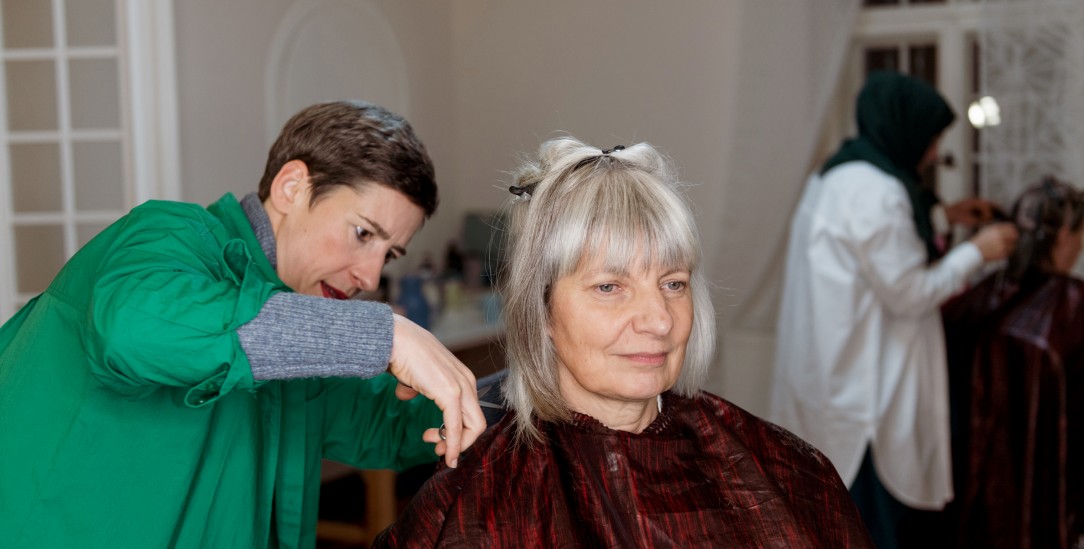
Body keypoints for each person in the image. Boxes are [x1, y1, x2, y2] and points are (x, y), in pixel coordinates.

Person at [0, 100, 486, 548]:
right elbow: (132, 326)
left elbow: (380, 419)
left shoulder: (295, 323)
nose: (371, 275)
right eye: (362, 233)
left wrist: (520, 399)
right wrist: (381, 334)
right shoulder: (168, 234)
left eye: (390, 254)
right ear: (291, 186)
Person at [374, 137, 874, 547]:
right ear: (540, 310)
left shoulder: (787, 470)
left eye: (673, 283)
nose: (659, 320)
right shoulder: (473, 500)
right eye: (609, 287)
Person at [768, 70, 1019, 548]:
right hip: (866, 404)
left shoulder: (839, 173)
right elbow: (909, 292)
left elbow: (872, 249)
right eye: (931, 140)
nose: (930, 153)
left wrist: (944, 216)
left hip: (830, 381)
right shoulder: (879, 193)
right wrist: (978, 252)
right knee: (870, 529)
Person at [941, 177, 1084, 548]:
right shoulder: (1073, 311)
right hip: (1049, 499)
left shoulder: (975, 301)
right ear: (1066, 236)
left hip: (969, 496)